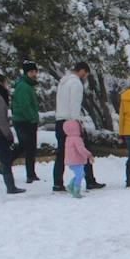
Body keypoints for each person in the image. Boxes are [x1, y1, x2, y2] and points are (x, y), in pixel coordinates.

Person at [53, 61, 105, 192]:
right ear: (82, 71)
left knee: (61, 153)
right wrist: (76, 123)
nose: (86, 77)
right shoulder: (76, 83)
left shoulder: (63, 82)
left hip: (59, 120)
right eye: (86, 74)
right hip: (70, 121)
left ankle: (57, 183)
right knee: (83, 149)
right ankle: (90, 180)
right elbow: (75, 104)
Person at [11, 60, 41, 183]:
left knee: (28, 147)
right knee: (27, 146)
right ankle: (6, 164)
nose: (34, 74)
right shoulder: (24, 86)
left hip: (24, 120)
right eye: (31, 71)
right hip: (24, 121)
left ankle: (30, 173)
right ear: (26, 72)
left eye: (35, 71)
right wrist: (33, 118)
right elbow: (24, 106)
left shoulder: (27, 85)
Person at [63, 119, 92, 198]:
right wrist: (88, 154)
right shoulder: (77, 139)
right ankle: (76, 190)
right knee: (80, 175)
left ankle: (71, 186)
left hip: (71, 161)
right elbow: (81, 149)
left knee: (80, 174)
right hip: (76, 160)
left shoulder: (68, 138)